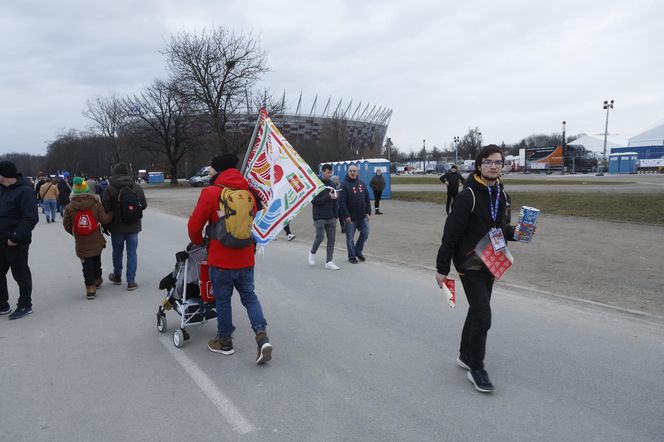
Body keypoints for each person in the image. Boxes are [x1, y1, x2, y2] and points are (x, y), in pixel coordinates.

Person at [435, 145, 516, 394]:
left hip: (491, 261)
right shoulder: (467, 196)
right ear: (479, 165)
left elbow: (501, 227)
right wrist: (442, 267)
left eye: (498, 162)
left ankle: (464, 355)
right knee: (483, 314)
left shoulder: (501, 195)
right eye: (489, 162)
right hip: (468, 263)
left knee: (477, 310)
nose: (494, 166)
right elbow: (451, 234)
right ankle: (476, 367)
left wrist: (516, 232)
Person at [187, 154, 272, 365]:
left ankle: (224, 341)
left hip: (220, 258)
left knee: (223, 300)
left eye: (211, 169)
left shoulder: (211, 192)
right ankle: (261, 335)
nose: (209, 172)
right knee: (249, 296)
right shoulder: (249, 193)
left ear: (219, 170)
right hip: (245, 257)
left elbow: (194, 226)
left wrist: (199, 242)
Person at [0, 161, 39, 319]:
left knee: (20, 273)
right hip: (0, 239)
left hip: (15, 241)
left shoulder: (25, 191)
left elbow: (30, 218)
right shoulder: (2, 190)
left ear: (3, 175)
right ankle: (2, 304)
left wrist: (16, 237)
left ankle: (25, 305)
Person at [63, 177, 113, 299]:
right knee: (96, 259)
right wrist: (112, 213)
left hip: (81, 241)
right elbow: (105, 220)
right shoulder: (96, 204)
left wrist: (76, 233)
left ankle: (90, 288)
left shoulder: (69, 207)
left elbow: (67, 225)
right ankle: (97, 278)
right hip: (96, 238)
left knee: (86, 264)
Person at [102, 163, 147, 291]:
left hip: (117, 227)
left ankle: (117, 276)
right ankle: (131, 281)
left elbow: (105, 207)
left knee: (117, 252)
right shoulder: (136, 187)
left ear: (114, 173)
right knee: (132, 253)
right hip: (134, 226)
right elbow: (143, 205)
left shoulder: (110, 188)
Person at [308, 164, 340, 270]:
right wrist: (328, 197)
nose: (330, 174)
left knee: (331, 239)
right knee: (320, 237)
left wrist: (336, 215)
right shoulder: (316, 184)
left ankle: (329, 261)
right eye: (328, 172)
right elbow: (314, 201)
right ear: (322, 171)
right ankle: (312, 253)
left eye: (331, 172)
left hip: (331, 216)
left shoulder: (332, 184)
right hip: (319, 216)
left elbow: (335, 201)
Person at [339, 165, 371, 264]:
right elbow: (342, 202)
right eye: (351, 171)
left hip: (362, 216)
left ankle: (357, 251)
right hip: (351, 218)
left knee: (365, 234)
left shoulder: (361, 183)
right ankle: (352, 256)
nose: (352, 173)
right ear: (348, 172)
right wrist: (346, 216)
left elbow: (367, 198)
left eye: (354, 171)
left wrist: (368, 212)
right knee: (350, 238)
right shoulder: (344, 185)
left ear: (357, 172)